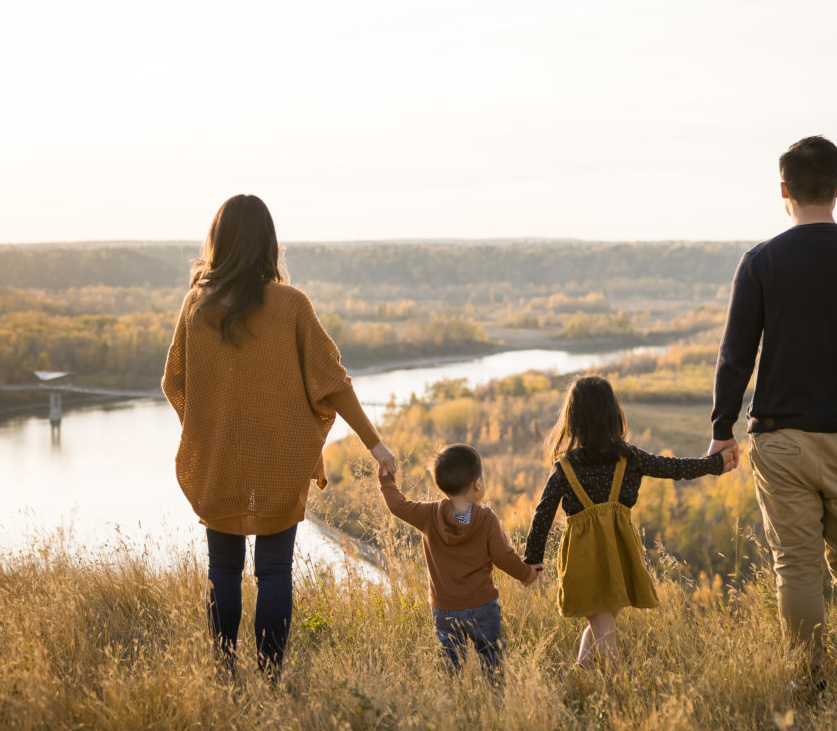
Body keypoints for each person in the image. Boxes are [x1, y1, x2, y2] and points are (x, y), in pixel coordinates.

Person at [161, 194, 396, 678]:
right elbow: (334, 383)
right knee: (274, 572)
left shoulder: (196, 306)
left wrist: (209, 432)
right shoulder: (290, 305)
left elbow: (175, 383)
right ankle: (269, 679)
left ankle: (225, 674)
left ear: (218, 242)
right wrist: (376, 445)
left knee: (222, 571)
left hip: (220, 462)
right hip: (279, 465)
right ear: (269, 243)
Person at [709, 136, 837, 686]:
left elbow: (736, 355)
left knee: (795, 566)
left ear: (783, 191)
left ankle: (809, 679)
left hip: (781, 437)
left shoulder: (763, 261)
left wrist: (723, 428)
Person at [524, 376, 728, 667]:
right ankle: (617, 691)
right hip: (615, 554)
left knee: (602, 624)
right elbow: (676, 468)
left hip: (586, 556)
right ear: (613, 415)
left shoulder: (568, 468)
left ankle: (581, 677)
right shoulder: (629, 459)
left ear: (573, 420)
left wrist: (533, 560)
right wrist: (715, 464)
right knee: (604, 627)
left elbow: (542, 515)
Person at [378, 444, 538, 684]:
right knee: (491, 654)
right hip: (482, 605)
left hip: (444, 608)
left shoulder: (428, 514)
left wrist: (387, 480)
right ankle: (495, 697)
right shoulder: (486, 519)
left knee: (451, 657)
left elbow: (397, 506)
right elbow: (503, 556)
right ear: (478, 485)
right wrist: (526, 574)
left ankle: (455, 695)